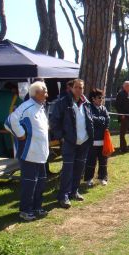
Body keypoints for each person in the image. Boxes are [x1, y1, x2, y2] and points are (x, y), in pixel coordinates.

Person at [4, 81, 49, 221]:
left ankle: (37, 207)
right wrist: (21, 134)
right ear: (36, 93)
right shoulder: (26, 106)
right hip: (29, 153)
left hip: (41, 153)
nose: (47, 94)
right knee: (29, 183)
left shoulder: (40, 108)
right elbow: (10, 121)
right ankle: (25, 210)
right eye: (45, 91)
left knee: (40, 181)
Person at [50, 79, 94, 208]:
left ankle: (74, 191)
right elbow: (54, 121)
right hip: (69, 142)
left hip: (84, 141)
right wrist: (61, 137)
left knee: (79, 168)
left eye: (81, 87)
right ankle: (63, 195)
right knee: (68, 169)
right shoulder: (63, 103)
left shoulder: (86, 103)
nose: (79, 90)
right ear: (71, 88)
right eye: (76, 87)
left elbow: (88, 120)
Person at [84, 89, 110, 187]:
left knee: (103, 160)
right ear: (93, 99)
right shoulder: (89, 107)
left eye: (102, 98)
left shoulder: (103, 108)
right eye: (99, 98)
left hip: (103, 139)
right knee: (91, 161)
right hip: (92, 140)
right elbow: (91, 119)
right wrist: (101, 120)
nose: (101, 100)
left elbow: (108, 120)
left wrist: (100, 120)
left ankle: (102, 177)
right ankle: (88, 179)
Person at [0, 82, 23, 157]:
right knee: (9, 140)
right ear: (12, 89)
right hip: (7, 120)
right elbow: (22, 105)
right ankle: (10, 155)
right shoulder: (14, 96)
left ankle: (0, 156)